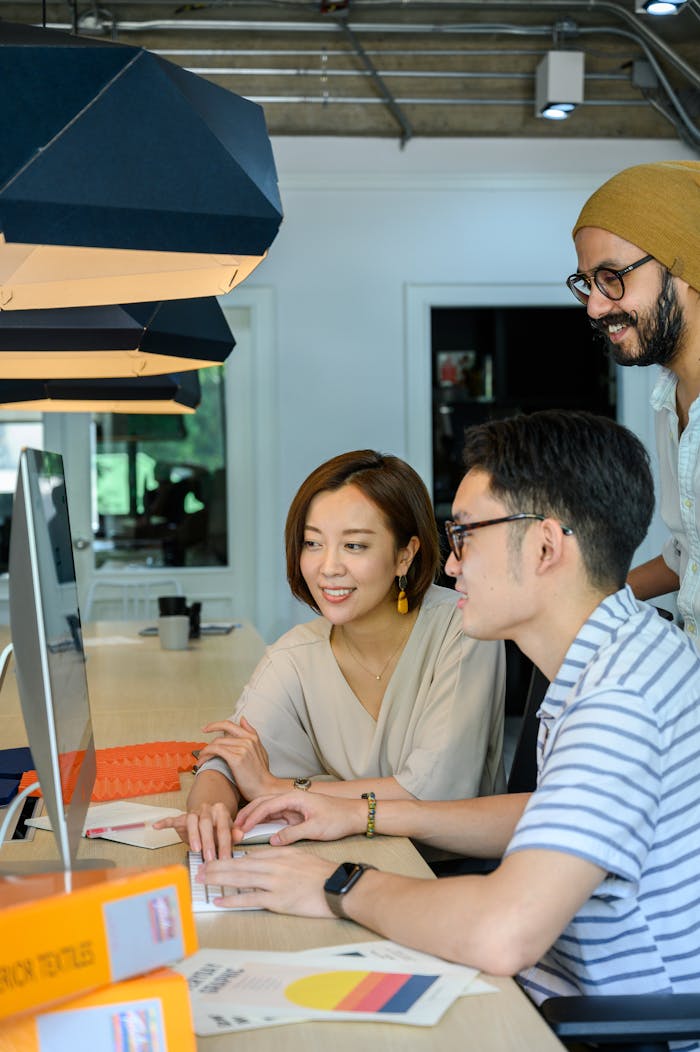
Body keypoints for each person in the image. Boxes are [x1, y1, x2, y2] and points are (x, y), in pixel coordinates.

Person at [198, 411, 700, 1018]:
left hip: (576, 1023)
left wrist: (334, 884)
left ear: (544, 546)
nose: (452, 564)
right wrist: (355, 812)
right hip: (549, 989)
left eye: (465, 536)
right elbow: (542, 812)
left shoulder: (620, 700)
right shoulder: (626, 653)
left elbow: (503, 933)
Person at [157, 449, 506, 859]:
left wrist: (276, 789)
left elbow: (431, 792)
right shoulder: (295, 655)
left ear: (405, 554)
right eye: (313, 543)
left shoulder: (463, 627)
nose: (328, 567)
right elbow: (225, 761)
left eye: (354, 545)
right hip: (345, 857)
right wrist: (207, 812)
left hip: (444, 876)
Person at [567, 159, 700, 646]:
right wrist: (589, 604)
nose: (595, 306)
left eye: (612, 276)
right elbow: (689, 553)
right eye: (587, 282)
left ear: (685, 262)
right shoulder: (670, 399)